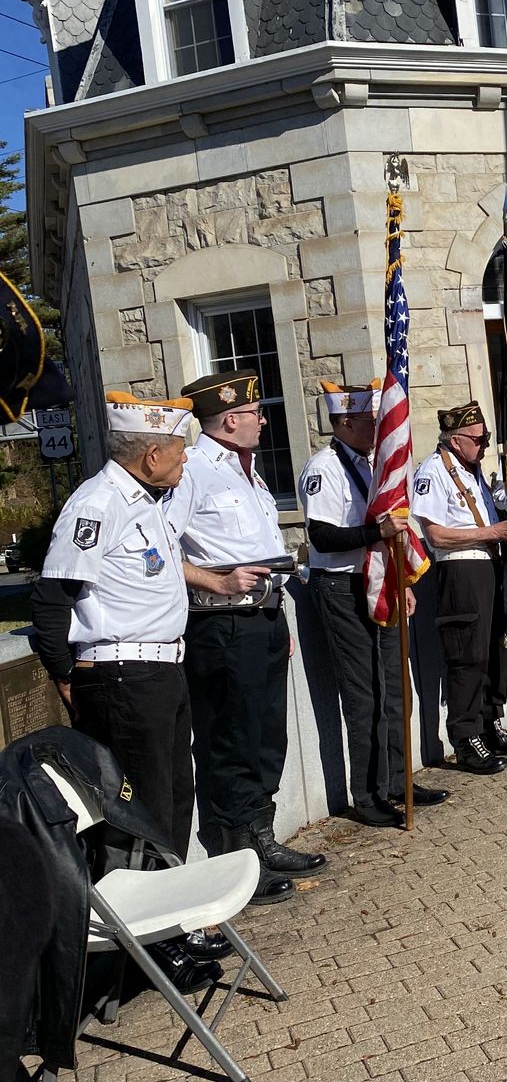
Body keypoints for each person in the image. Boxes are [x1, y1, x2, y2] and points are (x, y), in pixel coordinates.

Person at [30, 391, 229, 987]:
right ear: (149, 456)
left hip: (162, 672)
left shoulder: (147, 499)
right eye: (179, 452)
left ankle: (172, 930)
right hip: (121, 676)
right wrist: (68, 678)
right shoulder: (97, 503)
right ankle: (145, 950)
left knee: (172, 801)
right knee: (136, 816)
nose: (186, 461)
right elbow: (50, 600)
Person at [167, 370, 326, 904]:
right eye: (256, 412)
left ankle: (261, 835)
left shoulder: (249, 473)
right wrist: (215, 579)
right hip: (221, 622)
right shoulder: (193, 473)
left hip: (262, 618)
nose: (263, 419)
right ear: (230, 418)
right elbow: (161, 548)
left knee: (266, 737)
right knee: (231, 739)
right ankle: (236, 856)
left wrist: (276, 619)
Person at [299, 380, 449, 828]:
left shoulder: (369, 465)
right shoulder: (325, 467)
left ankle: (400, 779)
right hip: (342, 588)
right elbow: (321, 536)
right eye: (370, 421)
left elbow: (385, 536)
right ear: (344, 422)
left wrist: (399, 579)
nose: (378, 429)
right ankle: (368, 793)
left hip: (378, 583)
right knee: (364, 694)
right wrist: (375, 534)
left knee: (393, 685)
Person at [411, 400, 507, 773]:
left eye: (486, 439)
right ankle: (466, 739)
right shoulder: (433, 472)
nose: (484, 446)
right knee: (467, 656)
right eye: (479, 440)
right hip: (461, 571)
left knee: (493, 652)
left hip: (489, 567)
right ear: (455, 440)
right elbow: (435, 534)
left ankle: (489, 724)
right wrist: (493, 532)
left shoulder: (472, 472)